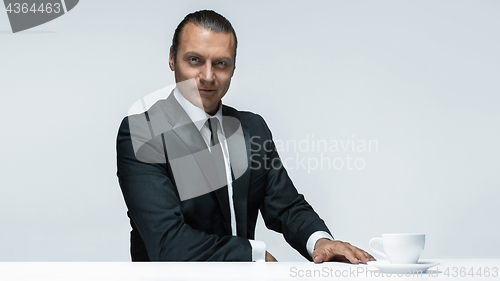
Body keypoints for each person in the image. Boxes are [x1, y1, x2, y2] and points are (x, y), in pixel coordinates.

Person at [116, 9, 375, 263]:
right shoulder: (142, 132)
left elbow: (285, 206)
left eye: (220, 64)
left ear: (233, 67)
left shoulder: (252, 128)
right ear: (172, 58)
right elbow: (167, 242)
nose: (208, 76)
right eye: (195, 60)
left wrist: (321, 242)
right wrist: (252, 255)